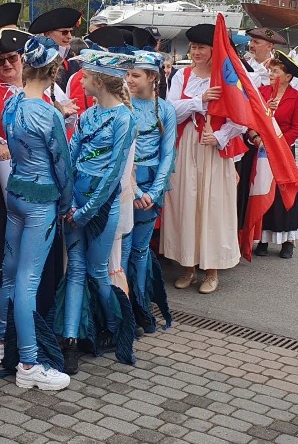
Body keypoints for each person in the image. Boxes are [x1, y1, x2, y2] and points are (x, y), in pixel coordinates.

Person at [0, 36, 72, 391]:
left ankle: (0, 343)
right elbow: (62, 166)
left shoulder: (12, 104)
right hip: (41, 200)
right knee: (26, 279)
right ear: (54, 71)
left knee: (8, 272)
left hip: (17, 193)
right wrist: (67, 203)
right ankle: (28, 362)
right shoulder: (48, 114)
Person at [57, 49, 137, 374]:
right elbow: (70, 157)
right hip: (75, 207)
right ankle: (70, 341)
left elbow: (114, 173)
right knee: (75, 270)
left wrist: (85, 211)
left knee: (96, 271)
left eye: (86, 75)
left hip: (101, 210)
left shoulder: (125, 119)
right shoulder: (87, 115)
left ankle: (116, 325)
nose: (81, 80)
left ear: (100, 80)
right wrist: (67, 202)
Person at [161, 24, 246, 295]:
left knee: (211, 206)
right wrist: (199, 100)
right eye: (193, 47)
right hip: (186, 146)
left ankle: (212, 269)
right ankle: (188, 266)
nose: (196, 52)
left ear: (213, 50)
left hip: (212, 149)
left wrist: (220, 136)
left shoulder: (227, 78)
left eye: (201, 48)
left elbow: (241, 120)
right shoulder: (182, 75)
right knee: (186, 203)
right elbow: (170, 109)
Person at [122, 51, 176, 333]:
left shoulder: (165, 110)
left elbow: (168, 154)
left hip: (152, 183)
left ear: (152, 77)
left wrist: (153, 192)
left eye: (135, 75)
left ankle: (140, 307)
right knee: (123, 247)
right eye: (128, 74)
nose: (128, 80)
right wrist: (135, 189)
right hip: (127, 184)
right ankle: (123, 310)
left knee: (141, 250)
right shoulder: (123, 106)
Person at [250, 51, 298, 259]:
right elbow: (252, 119)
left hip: (283, 151)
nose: (270, 74)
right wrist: (256, 136)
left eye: (275, 71)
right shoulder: (262, 92)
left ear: (288, 76)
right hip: (262, 149)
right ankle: (263, 238)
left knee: (284, 193)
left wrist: (278, 144)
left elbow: (296, 128)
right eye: (270, 70)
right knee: (263, 189)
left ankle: (288, 241)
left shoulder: (296, 97)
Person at [29, 7, 83, 90]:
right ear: (47, 34)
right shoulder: (40, 63)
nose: (69, 37)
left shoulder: (72, 60)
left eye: (70, 32)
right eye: (64, 32)